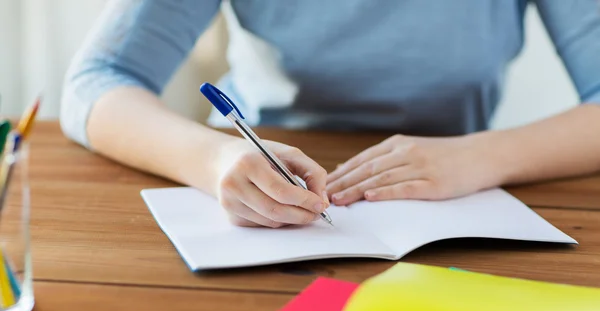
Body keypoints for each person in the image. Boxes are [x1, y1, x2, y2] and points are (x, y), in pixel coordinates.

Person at [61, 0, 600, 228]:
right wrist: (215, 159)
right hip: (256, 196)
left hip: (450, 196)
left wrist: (484, 155)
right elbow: (99, 79)